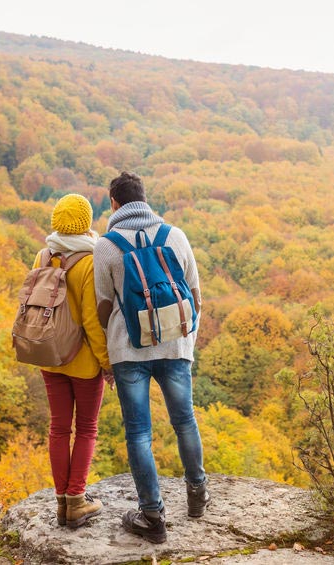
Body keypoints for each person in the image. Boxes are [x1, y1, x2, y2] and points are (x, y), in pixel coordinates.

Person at [93, 171, 210, 544]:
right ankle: (197, 494)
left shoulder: (107, 246)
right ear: (144, 198)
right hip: (176, 345)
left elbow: (102, 306)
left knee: (139, 432)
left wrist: (110, 352)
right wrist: (185, 339)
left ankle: (153, 515)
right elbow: (194, 292)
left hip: (129, 351)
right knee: (185, 421)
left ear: (114, 203)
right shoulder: (174, 236)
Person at [34, 193, 112, 529]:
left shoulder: (43, 254)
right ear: (86, 222)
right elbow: (94, 323)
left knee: (58, 428)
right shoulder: (90, 261)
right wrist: (107, 363)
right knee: (86, 429)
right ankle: (77, 500)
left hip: (49, 355)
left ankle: (62, 504)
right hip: (82, 362)